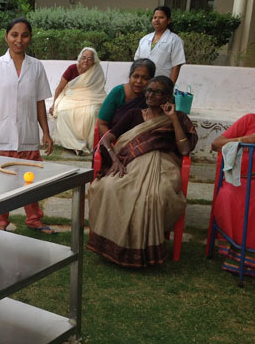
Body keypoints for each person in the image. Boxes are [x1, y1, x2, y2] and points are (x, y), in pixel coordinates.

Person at [87, 76, 198, 267]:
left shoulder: (179, 118)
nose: (150, 94)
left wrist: (173, 118)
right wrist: (115, 160)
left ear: (168, 96)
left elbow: (185, 150)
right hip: (131, 163)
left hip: (163, 166)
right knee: (109, 186)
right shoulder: (134, 114)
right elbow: (106, 139)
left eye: (156, 92)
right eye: (148, 90)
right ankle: (111, 244)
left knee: (154, 196)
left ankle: (145, 250)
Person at [0, 18, 55, 233]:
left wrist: (46, 133)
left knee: (31, 180)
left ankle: (34, 220)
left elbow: (40, 102)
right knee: (1, 181)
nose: (19, 40)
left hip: (27, 135)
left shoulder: (36, 67)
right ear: (6, 37)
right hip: (0, 135)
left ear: (30, 38)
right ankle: (1, 222)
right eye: (14, 35)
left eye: (24, 35)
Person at [210, 114, 255, 277]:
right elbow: (216, 144)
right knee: (229, 196)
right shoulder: (249, 120)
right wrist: (246, 140)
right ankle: (236, 255)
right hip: (238, 179)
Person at [50, 47, 106, 155]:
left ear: (94, 61)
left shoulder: (96, 70)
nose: (86, 61)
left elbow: (98, 90)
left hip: (90, 98)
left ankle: (89, 143)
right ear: (80, 58)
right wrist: (54, 105)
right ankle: (74, 145)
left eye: (89, 59)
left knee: (92, 113)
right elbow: (60, 87)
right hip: (70, 97)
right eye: (84, 58)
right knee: (62, 112)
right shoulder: (72, 68)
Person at [96, 58, 156, 137]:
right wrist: (112, 145)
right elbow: (101, 124)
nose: (139, 81)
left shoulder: (153, 97)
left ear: (151, 80)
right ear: (130, 76)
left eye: (145, 78)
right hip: (114, 141)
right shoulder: (118, 92)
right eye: (135, 76)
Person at [135, 6, 185, 83]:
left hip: (162, 84)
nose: (157, 20)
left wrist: (170, 87)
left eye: (161, 17)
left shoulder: (175, 40)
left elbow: (176, 66)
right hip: (143, 84)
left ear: (169, 20)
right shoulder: (144, 39)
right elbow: (137, 62)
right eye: (155, 18)